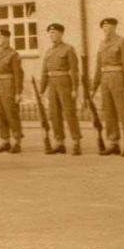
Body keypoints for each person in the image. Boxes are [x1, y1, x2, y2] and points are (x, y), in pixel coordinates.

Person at [92, 17, 124, 156]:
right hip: (105, 79)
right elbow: (98, 67)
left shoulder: (122, 42)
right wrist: (94, 87)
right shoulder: (101, 44)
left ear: (115, 27)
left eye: (109, 27)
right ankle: (114, 143)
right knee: (108, 112)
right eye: (104, 28)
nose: (106, 30)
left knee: (123, 111)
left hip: (118, 78)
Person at [39, 23, 82, 155]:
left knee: (69, 113)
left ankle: (76, 142)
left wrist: (75, 88)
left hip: (64, 83)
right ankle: (59, 142)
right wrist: (41, 90)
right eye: (50, 33)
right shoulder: (48, 52)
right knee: (54, 114)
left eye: (55, 33)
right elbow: (44, 72)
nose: (52, 35)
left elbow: (74, 70)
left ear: (61, 34)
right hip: (52, 84)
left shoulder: (68, 49)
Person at [0, 29, 23, 153]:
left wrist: (18, 92)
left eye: (1, 37)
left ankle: (17, 141)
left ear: (7, 38)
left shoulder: (13, 54)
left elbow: (18, 75)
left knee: (11, 113)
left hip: (9, 85)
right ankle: (5, 140)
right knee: (0, 113)